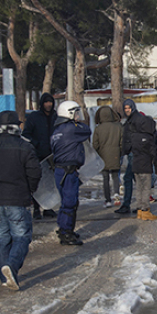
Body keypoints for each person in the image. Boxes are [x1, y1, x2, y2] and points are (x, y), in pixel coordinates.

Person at [0, 110, 41, 290]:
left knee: (2, 239)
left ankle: (6, 279)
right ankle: (11, 267)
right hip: (18, 199)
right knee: (22, 237)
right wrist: (30, 189)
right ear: (16, 126)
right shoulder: (25, 147)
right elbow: (35, 172)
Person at [50, 100, 91, 246]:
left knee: (66, 202)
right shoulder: (71, 128)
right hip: (68, 172)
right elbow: (87, 131)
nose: (78, 116)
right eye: (76, 113)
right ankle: (66, 232)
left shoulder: (57, 130)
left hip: (61, 171)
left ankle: (66, 229)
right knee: (70, 202)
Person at [121, 98, 157, 221]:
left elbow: (127, 145)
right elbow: (153, 151)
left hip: (136, 164)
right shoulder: (147, 138)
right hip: (145, 164)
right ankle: (145, 210)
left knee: (138, 187)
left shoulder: (134, 135)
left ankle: (139, 209)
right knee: (146, 187)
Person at [22, 92, 58, 220]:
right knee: (37, 183)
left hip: (52, 156)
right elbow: (26, 134)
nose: (48, 104)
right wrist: (36, 144)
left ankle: (48, 208)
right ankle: (37, 209)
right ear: (41, 103)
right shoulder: (34, 117)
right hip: (38, 155)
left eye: (50, 102)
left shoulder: (55, 117)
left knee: (50, 183)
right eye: (46, 102)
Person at [92, 105, 123, 208]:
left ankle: (108, 200)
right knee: (115, 176)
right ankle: (117, 194)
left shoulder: (98, 129)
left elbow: (95, 145)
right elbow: (122, 142)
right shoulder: (118, 126)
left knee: (105, 178)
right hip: (115, 155)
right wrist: (120, 152)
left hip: (103, 156)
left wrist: (97, 155)